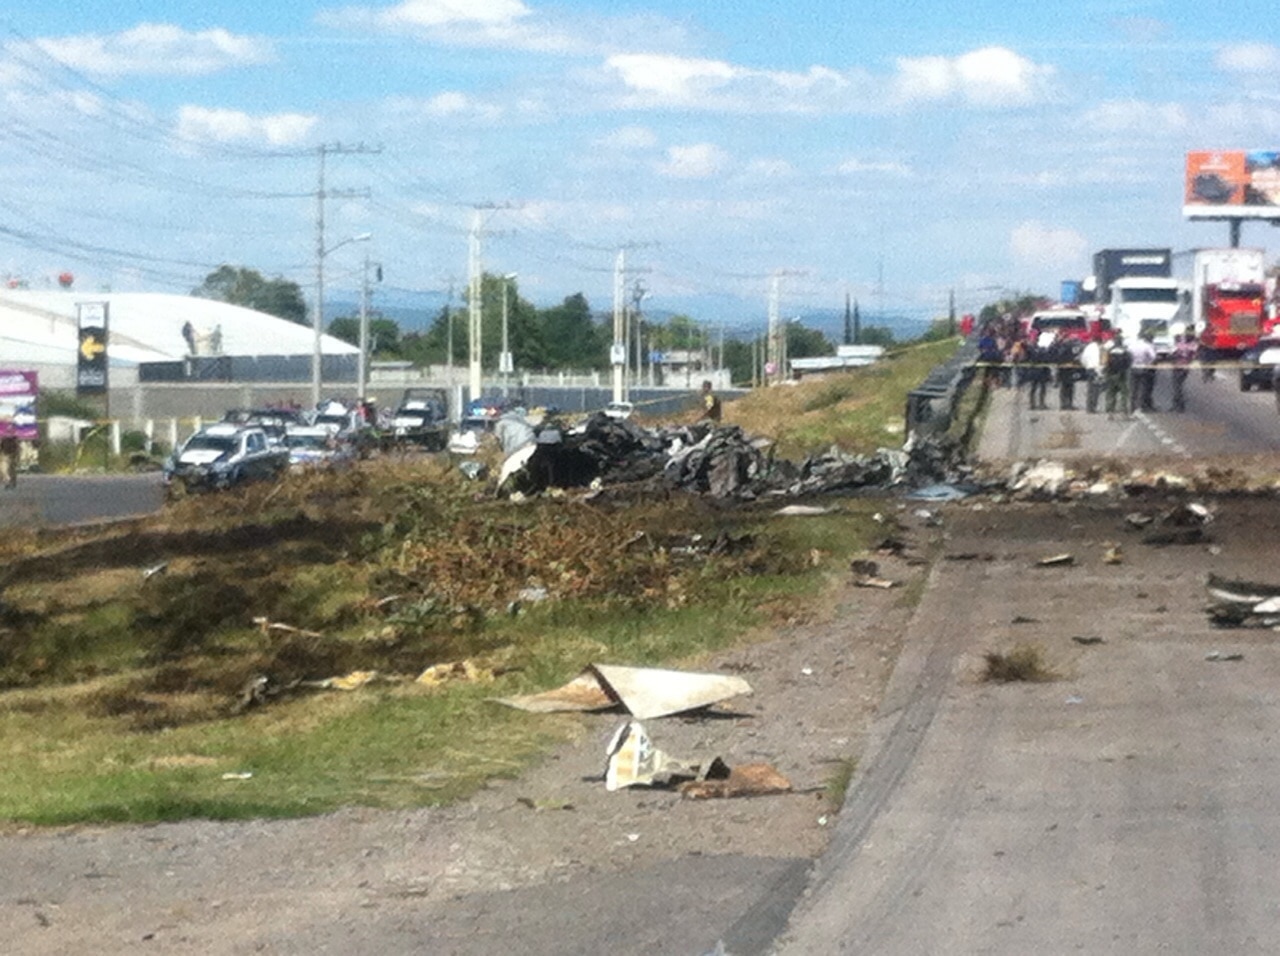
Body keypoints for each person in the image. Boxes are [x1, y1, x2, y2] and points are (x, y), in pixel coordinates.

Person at [1128, 332, 1158, 413]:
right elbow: (1153, 357)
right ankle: (1141, 406)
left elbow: (1128, 355)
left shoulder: (1132, 345)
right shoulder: (1147, 346)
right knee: (1143, 388)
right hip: (1144, 368)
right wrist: (1148, 363)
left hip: (1133, 367)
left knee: (1133, 388)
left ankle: (1132, 406)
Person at [1104, 333, 1132, 415]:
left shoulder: (1109, 351)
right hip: (1122, 375)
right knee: (1124, 393)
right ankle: (1124, 411)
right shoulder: (1125, 351)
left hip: (1110, 374)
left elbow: (1105, 363)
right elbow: (1128, 363)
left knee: (1110, 393)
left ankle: (1110, 411)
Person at [1079, 333, 1105, 413]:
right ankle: (1093, 407)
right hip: (1097, 370)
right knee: (1096, 390)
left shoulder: (1088, 347)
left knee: (1090, 388)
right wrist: (1101, 371)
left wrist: (1086, 366)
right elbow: (1100, 361)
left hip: (1089, 369)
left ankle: (1089, 407)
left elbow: (1083, 359)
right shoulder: (1100, 348)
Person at [1170, 333, 1195, 412]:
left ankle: (1179, 405)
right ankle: (1178, 404)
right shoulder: (1191, 346)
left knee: (1177, 387)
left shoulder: (1177, 346)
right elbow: (1193, 356)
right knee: (1178, 386)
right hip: (1185, 367)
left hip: (1178, 367)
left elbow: (1172, 354)